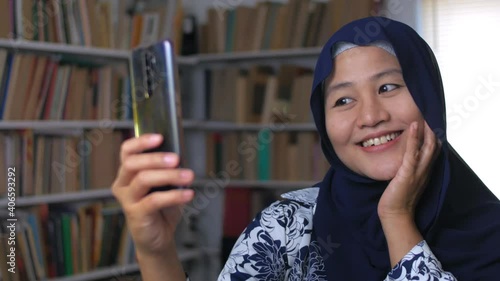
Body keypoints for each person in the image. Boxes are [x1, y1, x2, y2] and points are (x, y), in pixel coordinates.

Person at [111, 17, 500, 280]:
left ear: (429, 96)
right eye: (343, 101)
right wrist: (156, 250)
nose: (370, 116)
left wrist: (396, 217)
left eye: (388, 87)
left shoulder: (490, 230)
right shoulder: (285, 228)